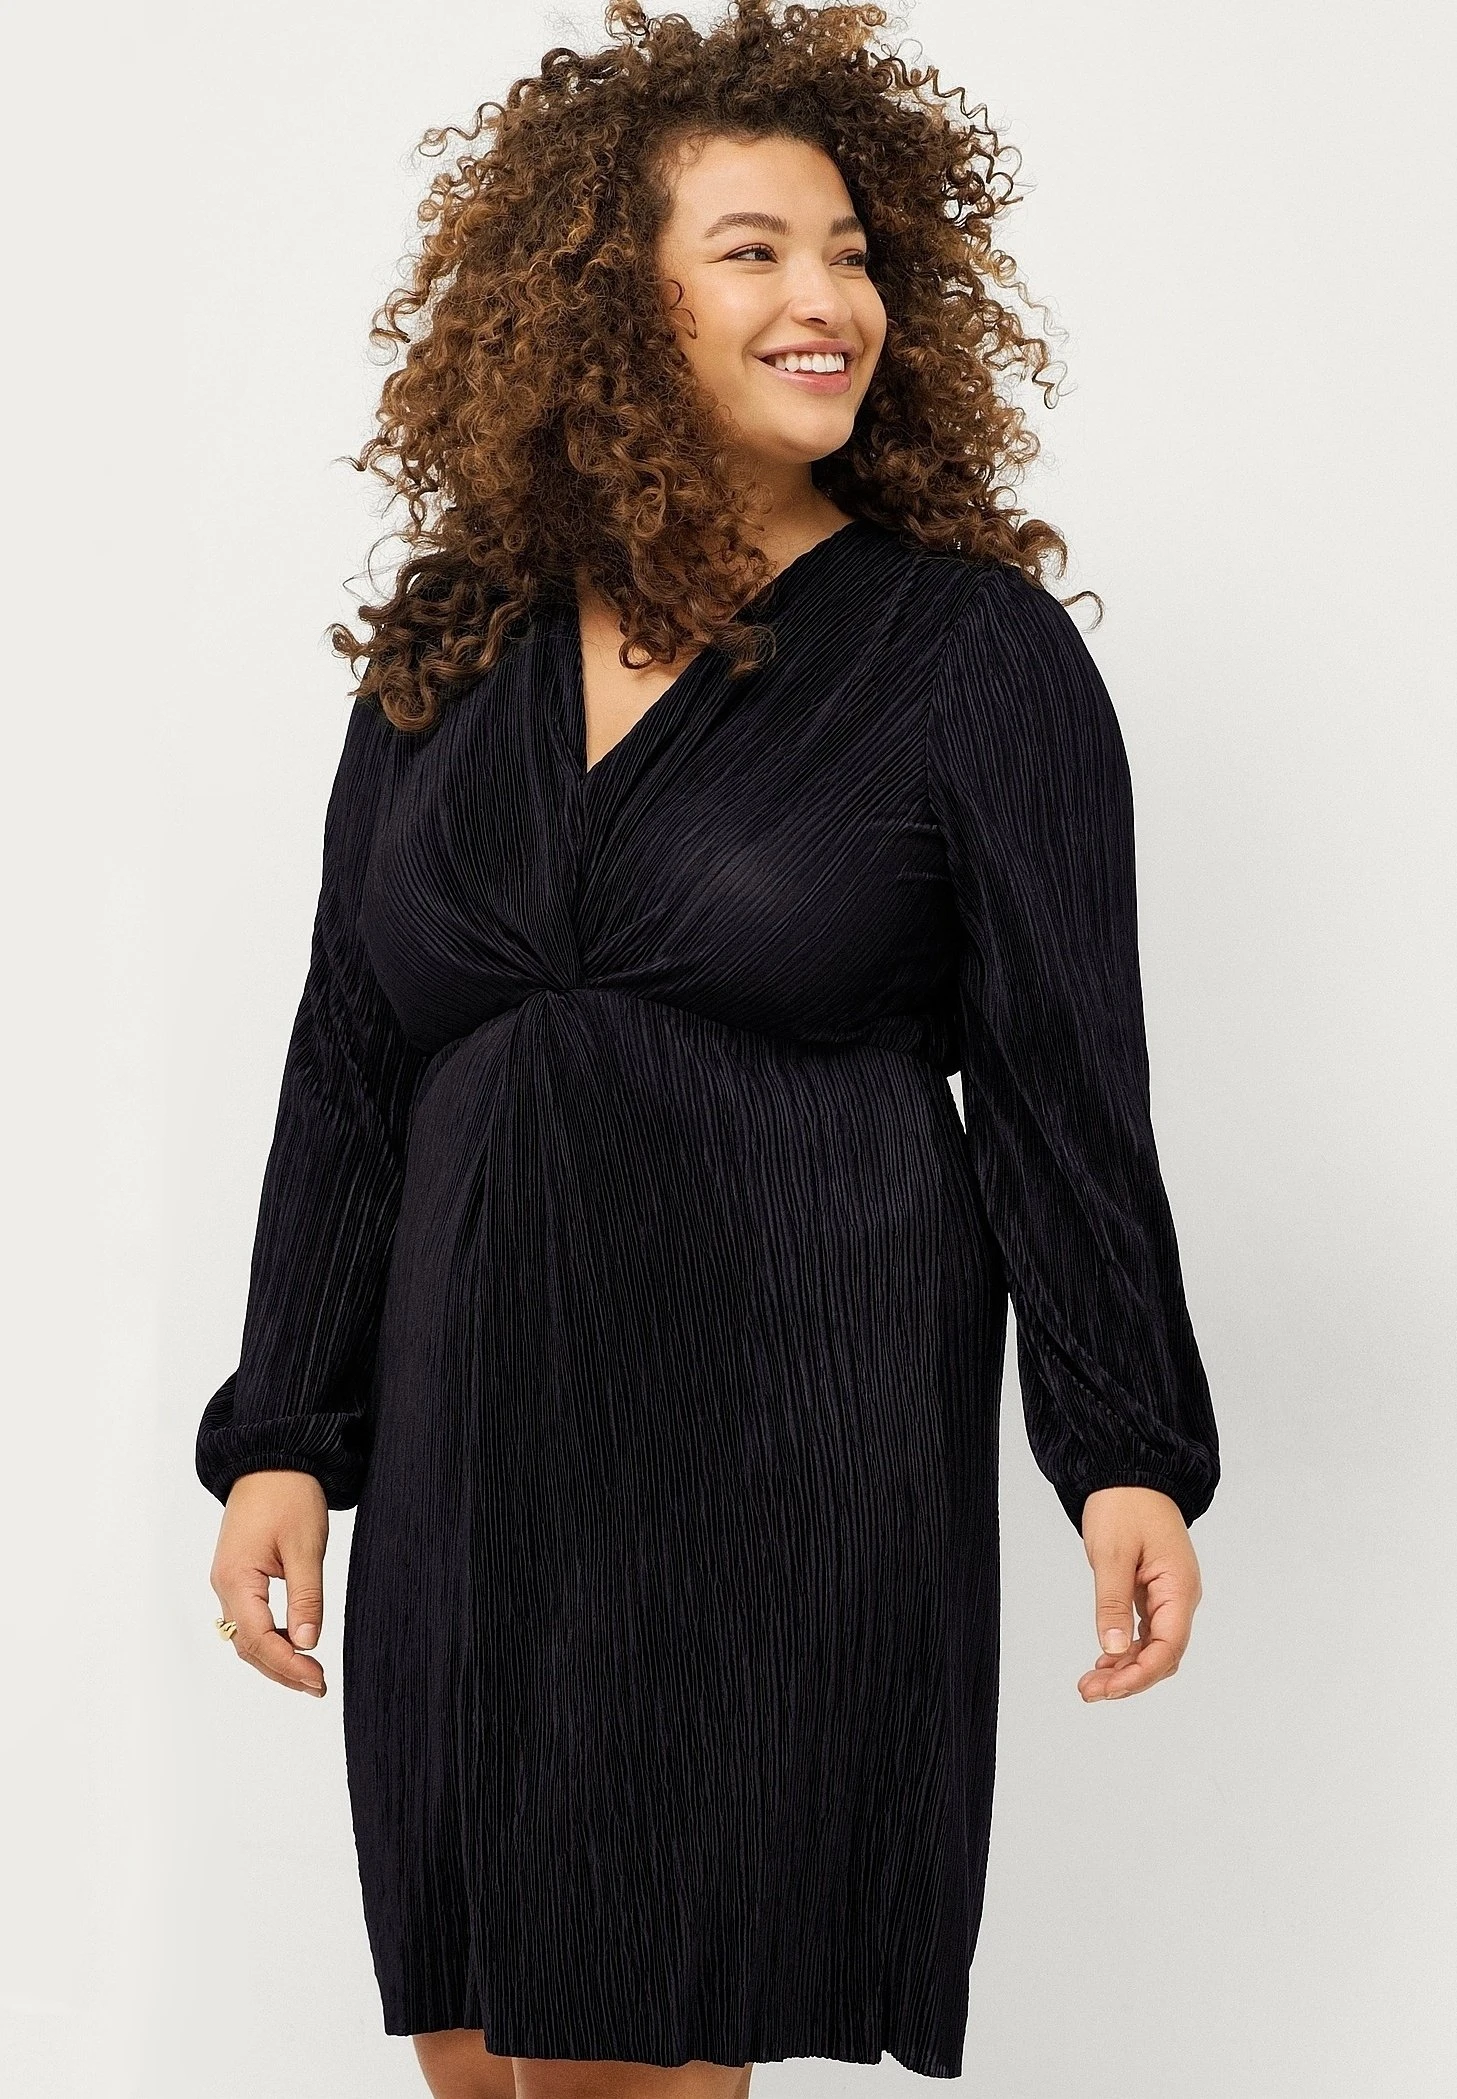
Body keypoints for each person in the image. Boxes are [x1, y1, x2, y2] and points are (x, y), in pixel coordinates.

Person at [196, 4, 1221, 2094]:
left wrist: (1122, 1441)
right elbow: (351, 1058)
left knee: (638, 2038)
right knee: (474, 2040)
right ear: (600, 300)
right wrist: (283, 1427)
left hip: (773, 1422)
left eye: (848, 252)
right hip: (472, 1428)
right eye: (751, 250)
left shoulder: (968, 652)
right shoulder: (453, 644)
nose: (825, 297)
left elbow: (1059, 1086)